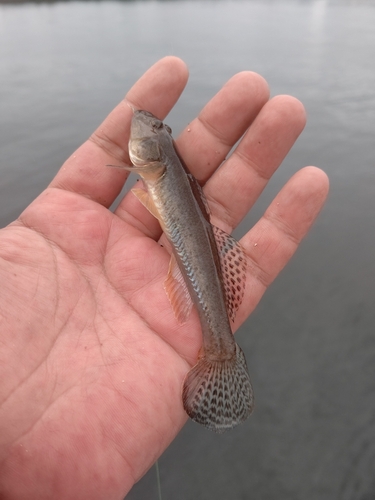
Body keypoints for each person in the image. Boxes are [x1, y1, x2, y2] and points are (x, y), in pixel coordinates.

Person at [0, 56, 329, 499]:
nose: (149, 125)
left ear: (156, 155)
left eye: (159, 131)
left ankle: (220, 349)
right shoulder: (154, 165)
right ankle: (219, 347)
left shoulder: (154, 163)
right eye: (157, 129)